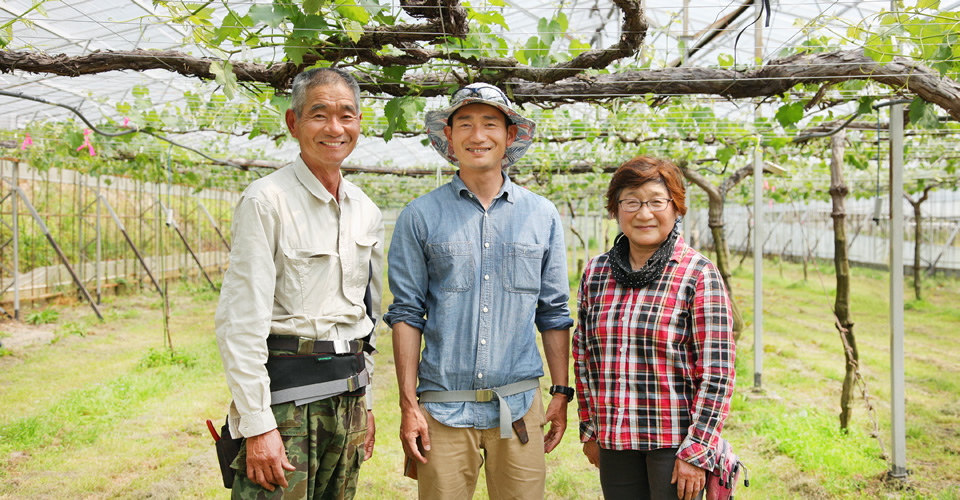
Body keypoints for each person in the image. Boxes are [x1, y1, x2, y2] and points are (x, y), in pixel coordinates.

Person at [383, 83, 575, 499]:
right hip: (442, 407)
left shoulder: (541, 216)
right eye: (465, 124)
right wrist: (408, 404)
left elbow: (554, 311)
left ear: (509, 135)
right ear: (449, 137)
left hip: (519, 405)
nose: (478, 135)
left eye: (490, 123)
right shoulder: (420, 216)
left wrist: (560, 392)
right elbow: (406, 313)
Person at [214, 67, 383, 499]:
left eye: (347, 115)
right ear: (294, 123)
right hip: (289, 402)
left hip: (346, 398)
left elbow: (367, 317)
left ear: (359, 123)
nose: (335, 127)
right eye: (319, 114)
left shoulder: (365, 209)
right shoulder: (266, 200)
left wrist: (365, 401)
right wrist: (258, 425)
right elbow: (240, 322)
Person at [573, 156, 735, 500]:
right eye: (630, 202)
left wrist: (698, 448)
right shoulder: (597, 273)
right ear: (615, 210)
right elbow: (583, 355)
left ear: (676, 208)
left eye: (656, 202)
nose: (643, 213)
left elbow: (718, 371)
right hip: (615, 438)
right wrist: (590, 430)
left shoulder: (697, 274)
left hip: (674, 444)